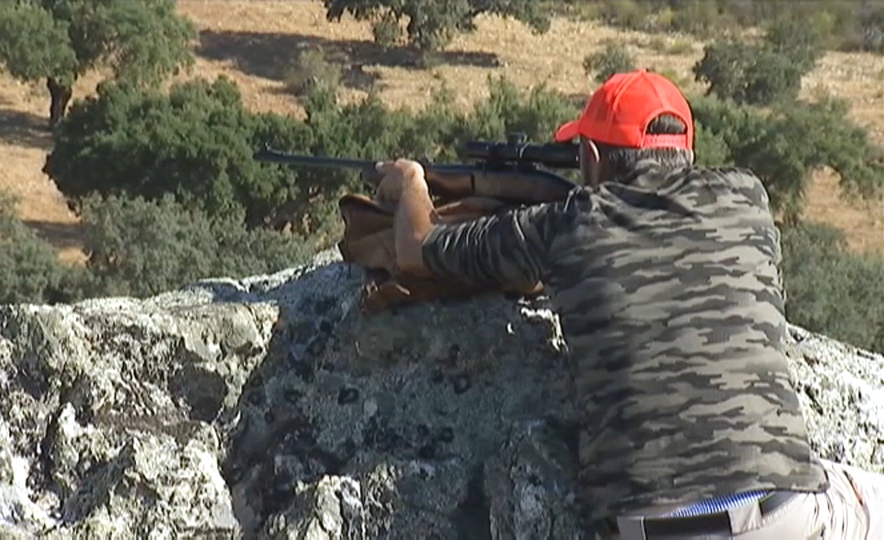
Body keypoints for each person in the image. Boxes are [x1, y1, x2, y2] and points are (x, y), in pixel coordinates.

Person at [370, 69, 884, 539]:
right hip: (780, 517)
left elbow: (416, 248)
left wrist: (411, 181)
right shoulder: (746, 196)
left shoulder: (566, 225)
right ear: (687, 150)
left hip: (647, 529)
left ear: (591, 158)